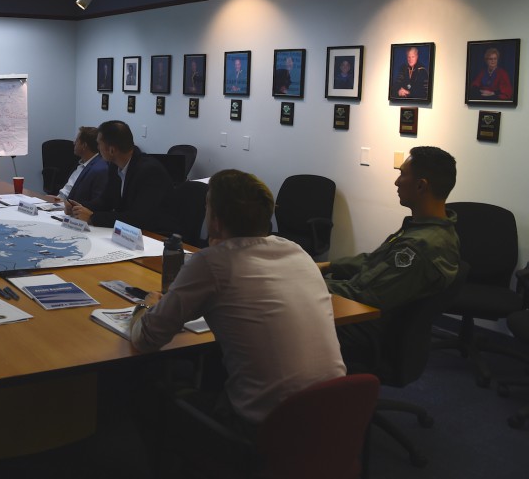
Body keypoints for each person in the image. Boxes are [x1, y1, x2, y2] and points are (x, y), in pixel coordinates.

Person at [129, 169, 345, 428]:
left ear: (216, 220)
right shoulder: (297, 251)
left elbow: (147, 338)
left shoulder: (213, 263)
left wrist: (146, 305)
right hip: (334, 412)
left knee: (141, 391)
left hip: (266, 428)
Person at [320, 146, 460, 363]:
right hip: (372, 316)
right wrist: (328, 266)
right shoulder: (432, 229)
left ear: (421, 186)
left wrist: (303, 280)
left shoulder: (418, 248)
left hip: (364, 332)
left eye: (402, 174)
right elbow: (373, 262)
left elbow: (362, 295)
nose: (396, 182)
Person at [65, 120, 174, 232]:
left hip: (156, 236)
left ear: (112, 150)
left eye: (99, 144)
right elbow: (105, 201)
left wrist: (93, 217)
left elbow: (139, 218)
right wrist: (77, 207)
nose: (97, 148)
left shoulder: (150, 172)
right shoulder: (115, 165)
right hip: (130, 233)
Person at [57, 126, 108, 203]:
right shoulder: (81, 164)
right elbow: (66, 192)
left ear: (84, 145)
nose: (74, 143)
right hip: (62, 203)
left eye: (77, 141)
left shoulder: (99, 169)